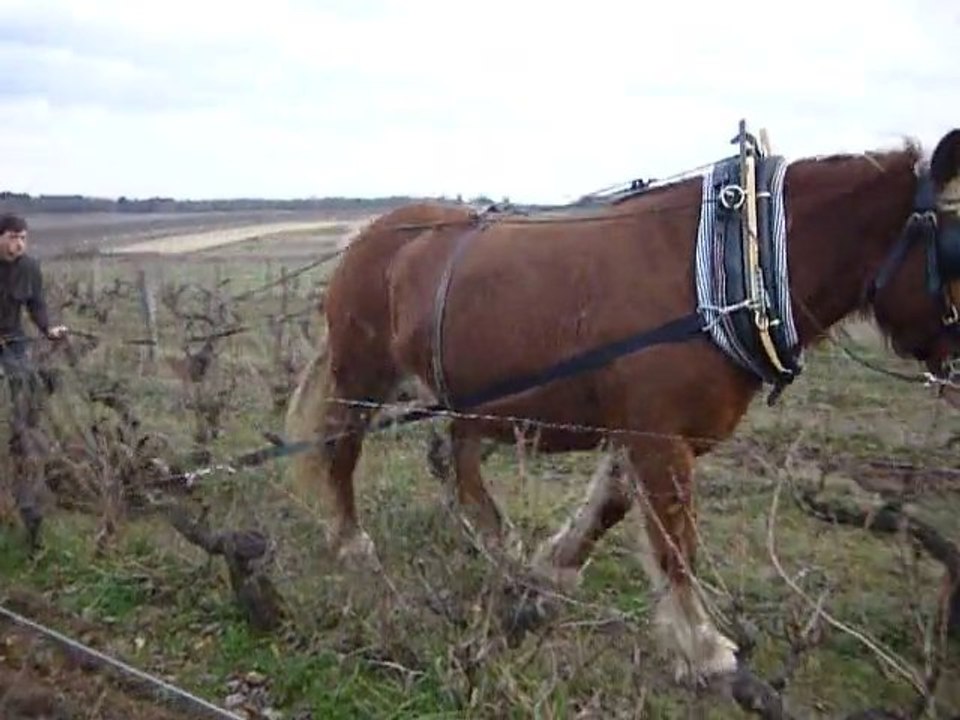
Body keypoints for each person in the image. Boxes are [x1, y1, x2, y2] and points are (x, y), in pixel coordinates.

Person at [0, 212, 67, 549]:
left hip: (12, 339)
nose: (19, 244)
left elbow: (36, 305)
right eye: (13, 237)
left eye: (23, 237)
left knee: (24, 386)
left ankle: (20, 441)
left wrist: (48, 328)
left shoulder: (29, 268)